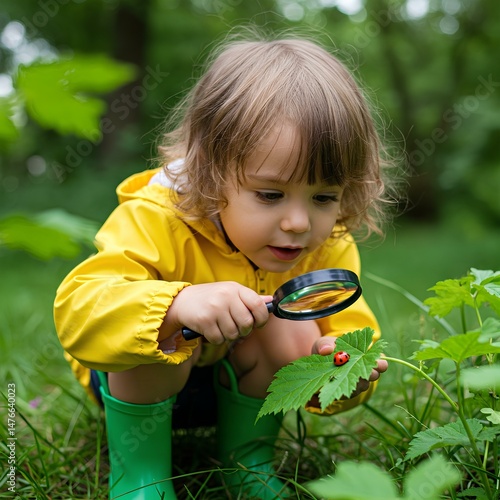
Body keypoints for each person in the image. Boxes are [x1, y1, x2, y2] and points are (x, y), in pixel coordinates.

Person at [54, 33, 396, 500]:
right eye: (270, 194)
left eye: (323, 197)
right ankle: (140, 478)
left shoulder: (328, 245)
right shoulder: (157, 218)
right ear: (211, 174)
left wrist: (342, 367)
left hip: (241, 387)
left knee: (296, 329)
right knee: (166, 330)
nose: (298, 223)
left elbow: (352, 335)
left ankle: (246, 462)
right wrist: (175, 305)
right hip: (137, 384)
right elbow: (79, 313)